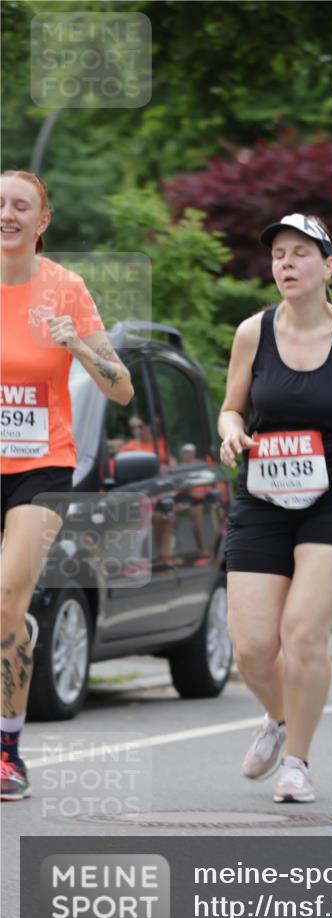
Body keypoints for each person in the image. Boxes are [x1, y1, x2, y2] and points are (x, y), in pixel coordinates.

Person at [218, 213, 332, 803]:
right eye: (278, 254)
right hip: (264, 496)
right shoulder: (253, 332)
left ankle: (296, 762)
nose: (286, 264)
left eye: (300, 253)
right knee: (250, 646)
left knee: (302, 630)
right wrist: (229, 433)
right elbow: (231, 408)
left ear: (328, 266)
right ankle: (279, 718)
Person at [1, 170, 134, 801]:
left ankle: (7, 750)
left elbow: (120, 386)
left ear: (42, 221)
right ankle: (16, 635)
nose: (7, 214)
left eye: (20, 206)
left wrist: (77, 344)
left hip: (41, 465)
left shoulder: (66, 288)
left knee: (7, 596)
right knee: (6, 616)